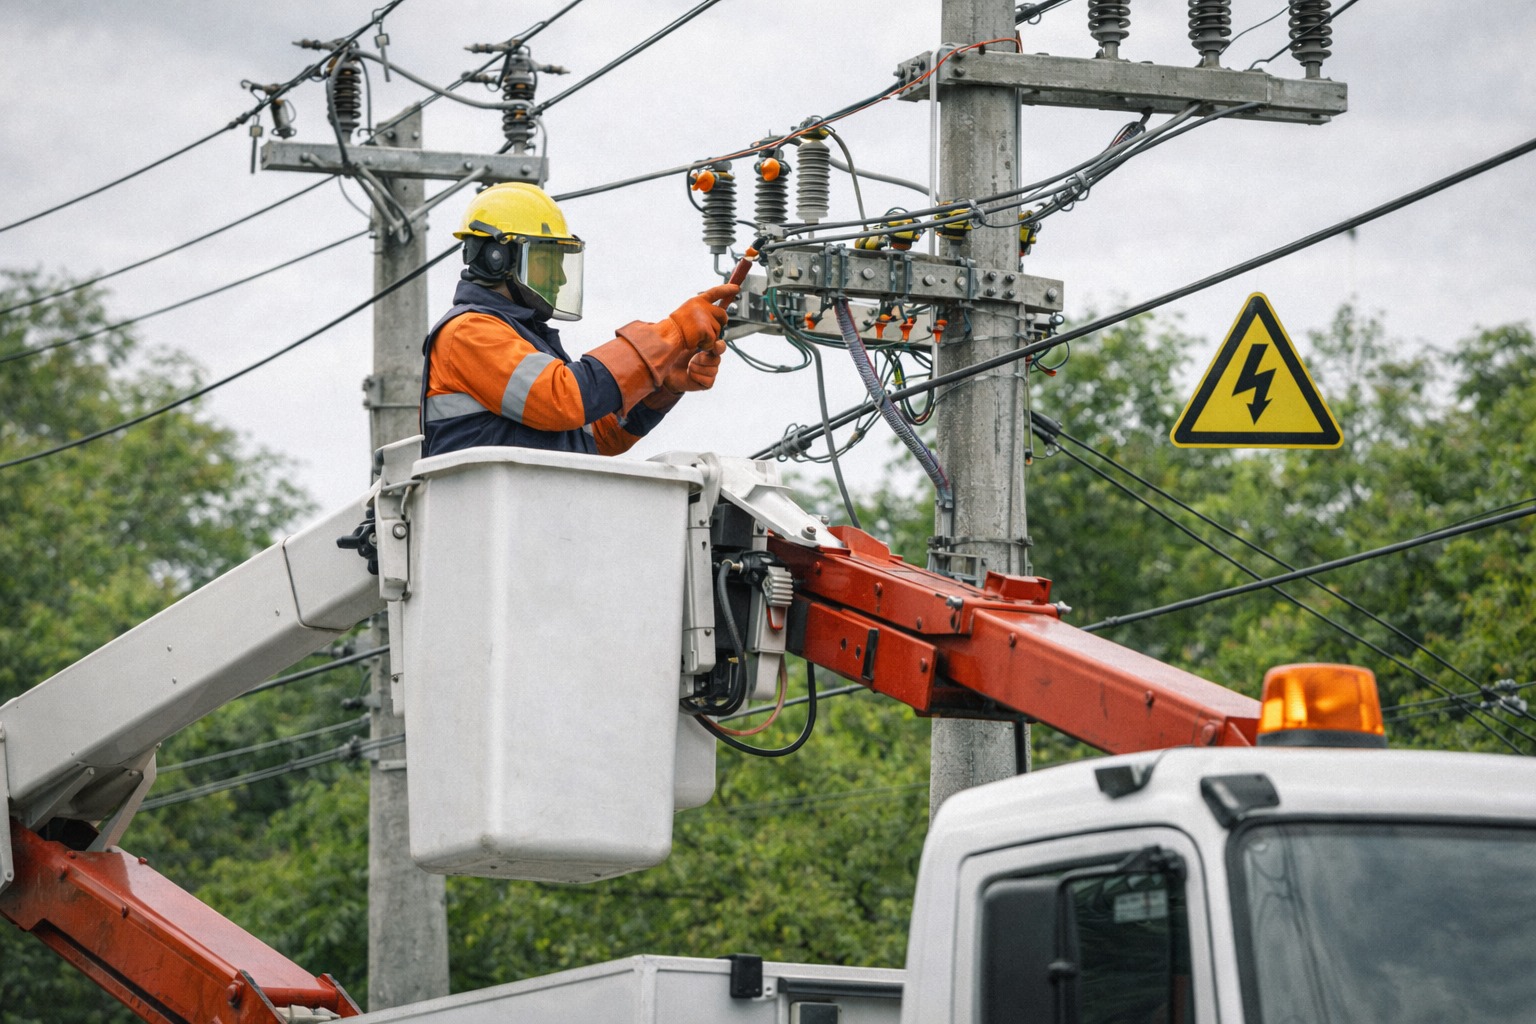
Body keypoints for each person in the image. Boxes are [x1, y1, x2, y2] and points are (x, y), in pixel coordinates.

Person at [420, 181, 739, 458]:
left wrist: (662, 383)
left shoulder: (525, 340)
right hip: (489, 522)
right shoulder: (468, 332)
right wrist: (671, 334)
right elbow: (563, 399)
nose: (559, 278)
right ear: (497, 258)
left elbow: (600, 436)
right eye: (547, 259)